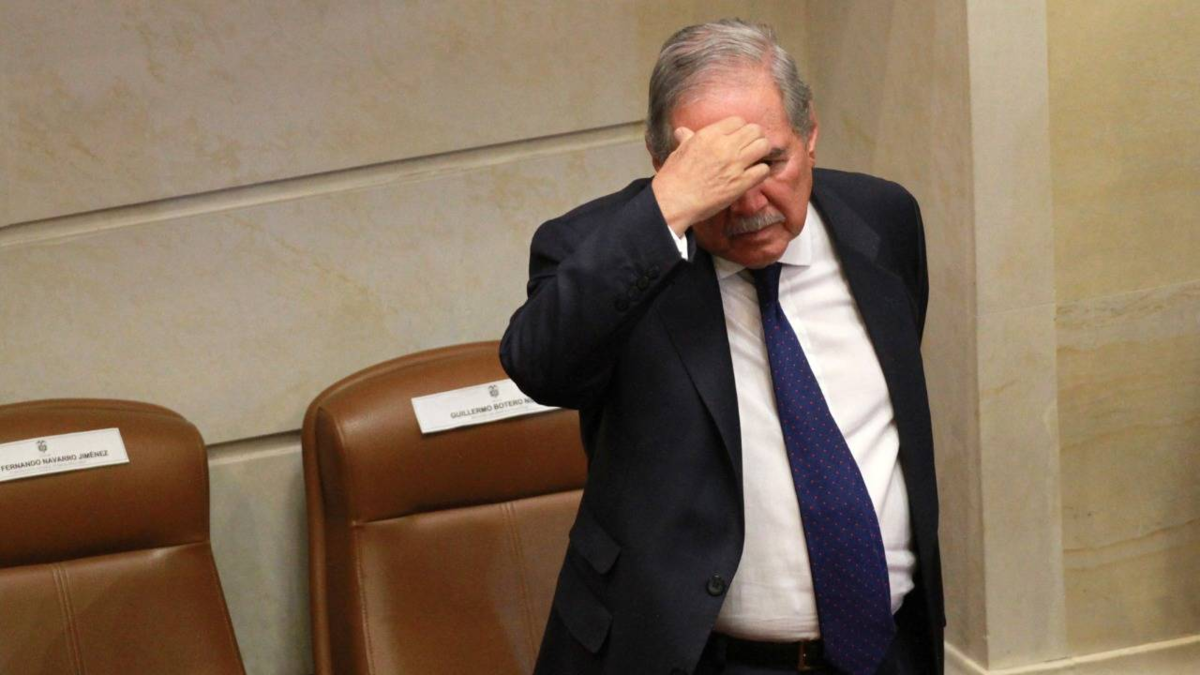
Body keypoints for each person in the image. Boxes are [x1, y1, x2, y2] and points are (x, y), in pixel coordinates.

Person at [501, 19, 943, 675]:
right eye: (718, 174)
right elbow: (541, 367)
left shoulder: (883, 218)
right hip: (693, 659)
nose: (748, 200)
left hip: (889, 651)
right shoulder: (606, 249)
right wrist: (667, 210)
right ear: (663, 164)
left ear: (811, 133)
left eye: (769, 162)